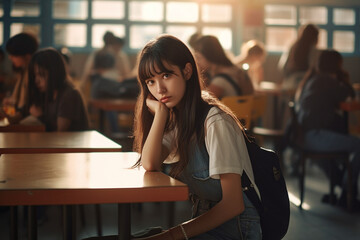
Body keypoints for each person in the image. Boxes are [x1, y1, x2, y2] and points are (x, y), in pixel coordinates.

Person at [132, 34, 261, 239]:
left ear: (187, 71)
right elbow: (150, 163)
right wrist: (161, 115)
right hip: (206, 221)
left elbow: (233, 204)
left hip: (238, 229)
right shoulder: (177, 118)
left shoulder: (214, 121)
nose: (160, 89)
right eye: (150, 81)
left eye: (166, 75)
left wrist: (173, 235)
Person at [295, 49, 359, 209]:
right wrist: (343, 79)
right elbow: (348, 94)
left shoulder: (312, 80)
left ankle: (344, 191)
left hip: (303, 138)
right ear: (337, 65)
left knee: (336, 156)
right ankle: (347, 193)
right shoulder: (326, 81)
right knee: (357, 145)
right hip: (316, 137)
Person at [26, 48, 89, 131]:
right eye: (35, 75)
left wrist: (40, 117)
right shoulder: (48, 93)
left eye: (41, 75)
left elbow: (60, 133)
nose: (36, 81)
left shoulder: (69, 95)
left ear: (54, 73)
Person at [0, 32, 38, 123]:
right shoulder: (23, 72)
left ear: (27, 56)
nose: (10, 58)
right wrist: (11, 101)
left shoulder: (33, 73)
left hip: (25, 120)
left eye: (14, 55)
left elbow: (27, 105)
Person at [279, 24, 320, 91]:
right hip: (306, 85)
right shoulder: (314, 51)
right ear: (315, 37)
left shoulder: (293, 47)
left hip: (290, 83)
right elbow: (314, 70)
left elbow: (283, 67)